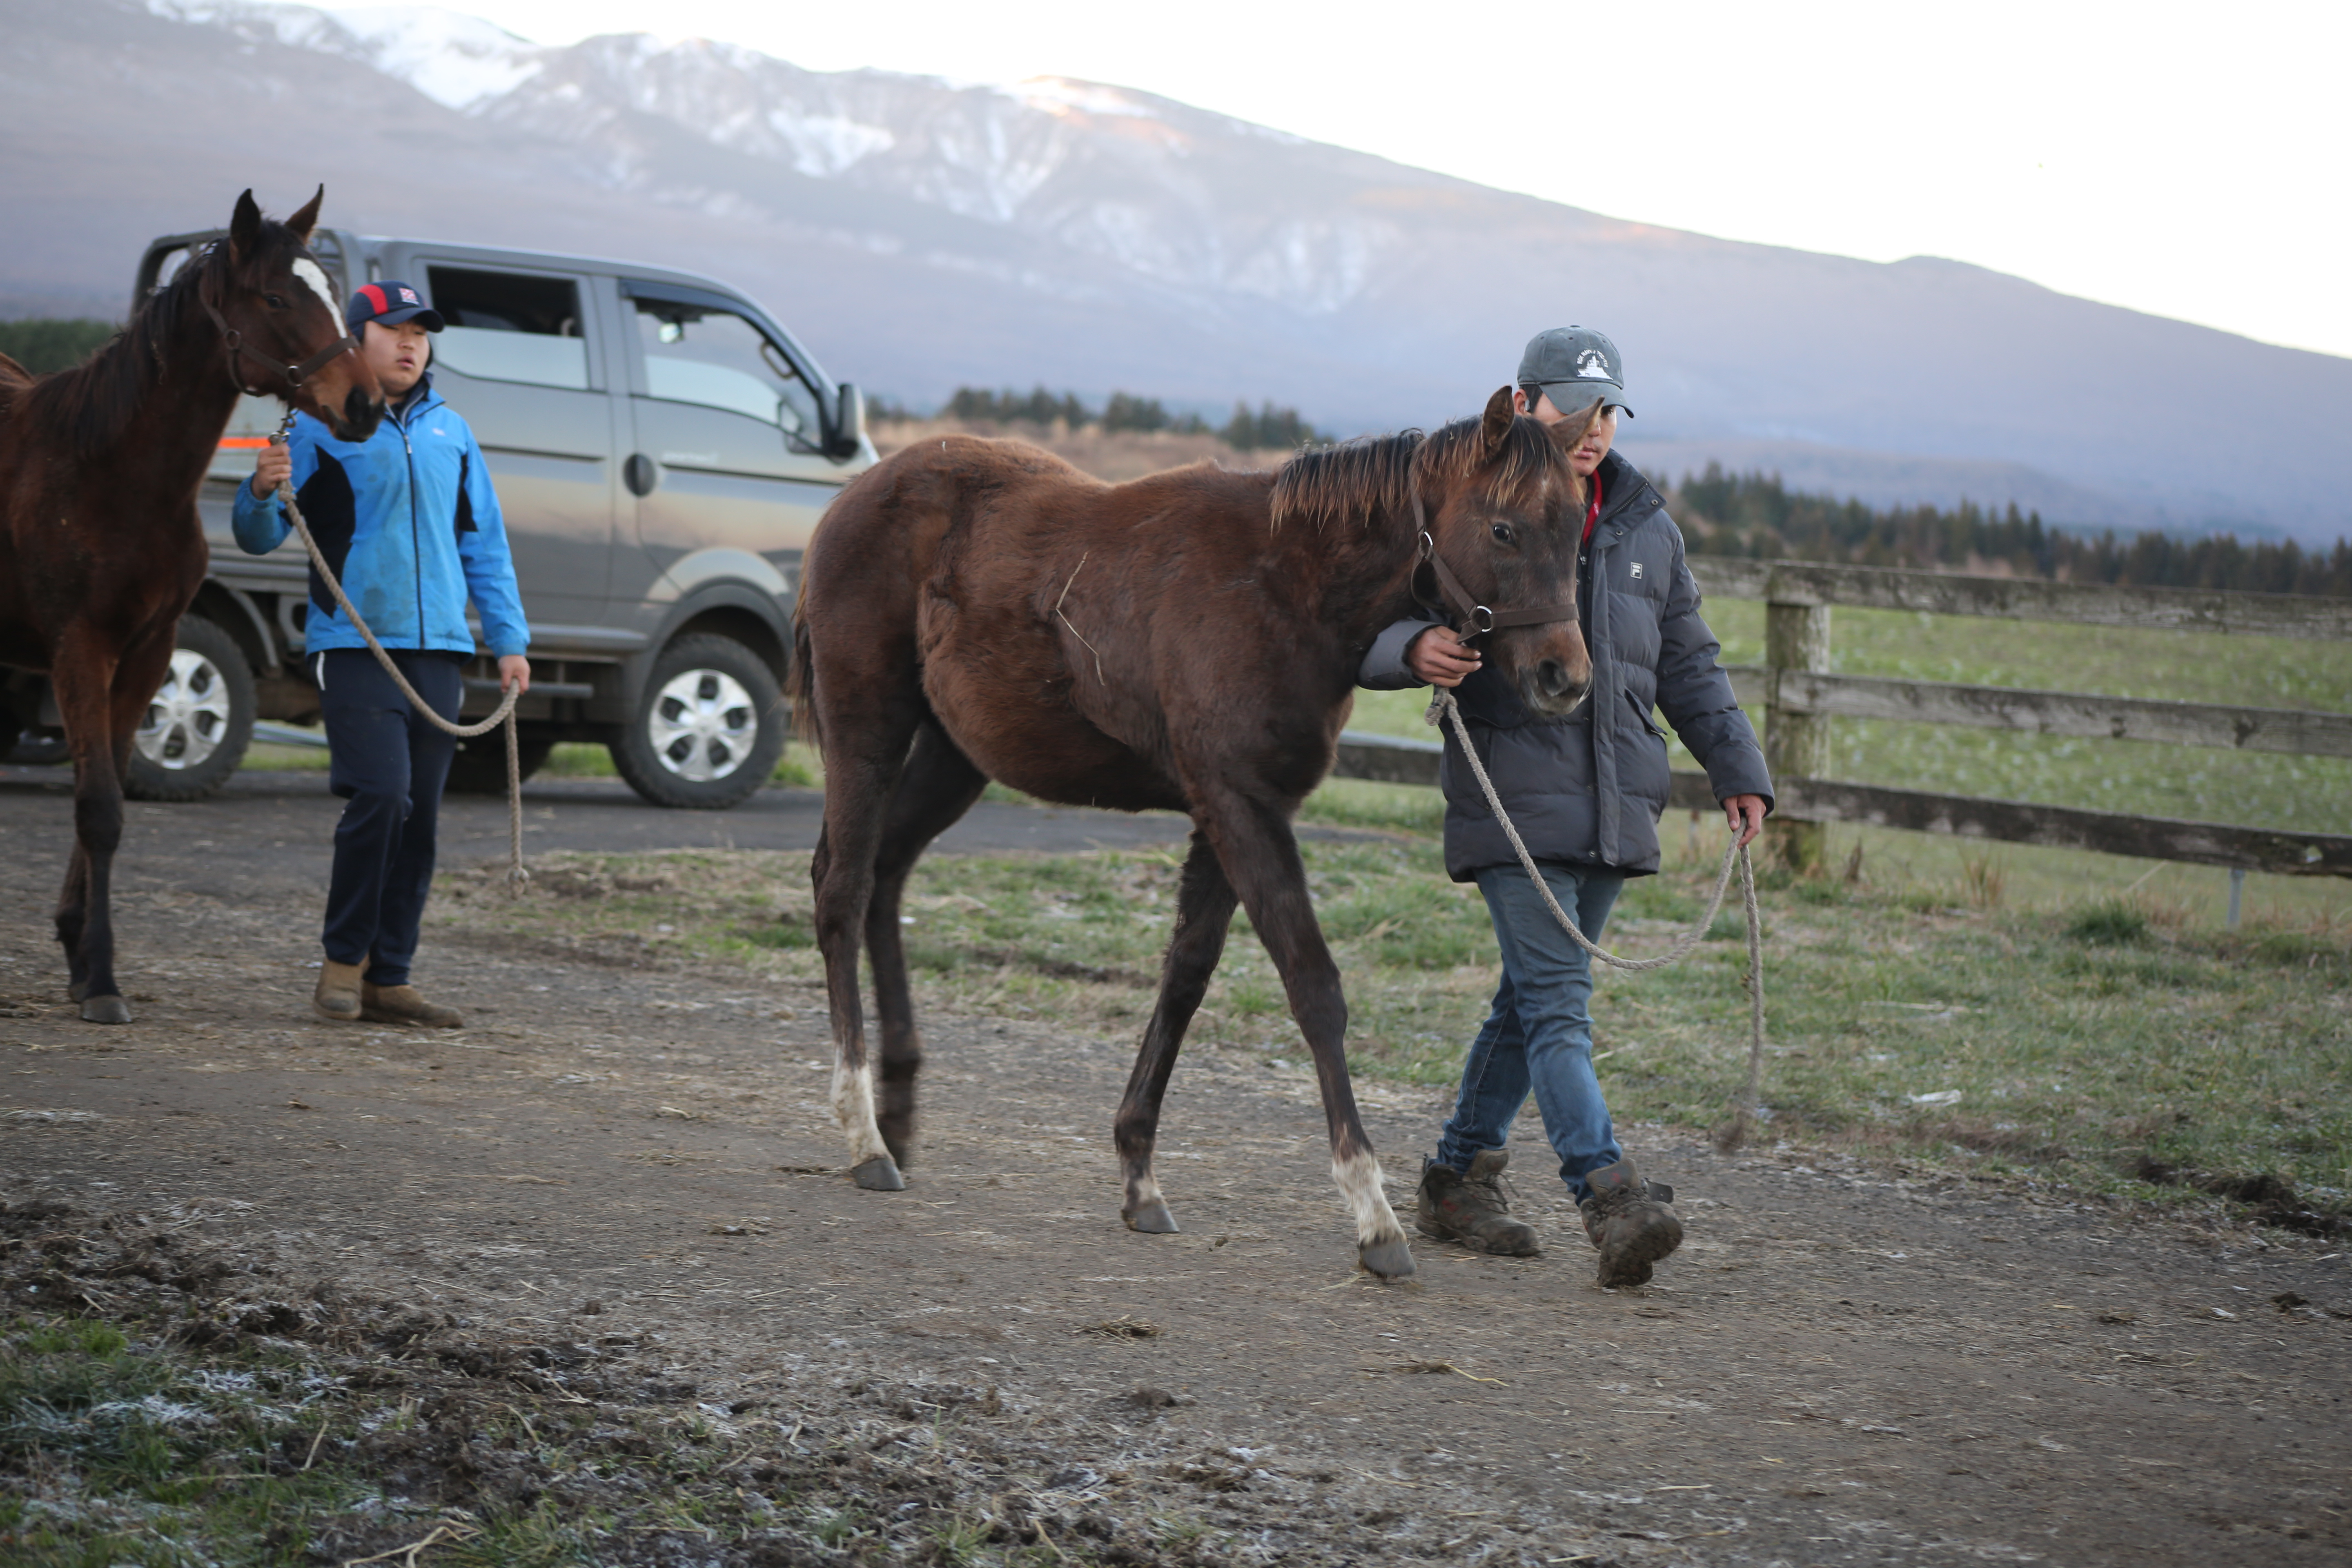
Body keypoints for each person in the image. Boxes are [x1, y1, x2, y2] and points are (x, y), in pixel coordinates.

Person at [1358, 326, 1771, 1288]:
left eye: (1611, 412)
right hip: (1514, 795)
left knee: (1525, 1003)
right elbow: (1362, 617)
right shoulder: (1470, 503)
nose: (1596, 430)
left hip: (1618, 801)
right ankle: (1608, 1193)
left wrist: (1740, 769)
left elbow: (1689, 664)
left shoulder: (1644, 529)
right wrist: (1410, 650)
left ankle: (1458, 1180)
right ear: (1523, 405)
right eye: (1577, 410)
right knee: (1557, 1009)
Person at [234, 281, 530, 1028]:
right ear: (354, 339)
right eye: (393, 330)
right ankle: (341, 962)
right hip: (356, 643)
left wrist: (510, 641)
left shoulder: (452, 433)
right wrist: (260, 491)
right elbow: (260, 534)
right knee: (382, 797)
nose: (409, 345)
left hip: (440, 650)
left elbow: (484, 545)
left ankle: (389, 977)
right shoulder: (316, 427)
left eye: (421, 335)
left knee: (421, 819)